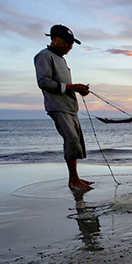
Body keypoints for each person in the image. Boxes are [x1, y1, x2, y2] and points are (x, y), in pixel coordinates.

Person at [34, 24, 92, 192]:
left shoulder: (61, 59)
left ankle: (76, 178)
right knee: (71, 140)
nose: (70, 46)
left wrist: (79, 90)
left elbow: (66, 85)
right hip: (58, 107)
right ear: (55, 39)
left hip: (70, 107)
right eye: (67, 42)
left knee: (77, 142)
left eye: (71, 43)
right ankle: (73, 180)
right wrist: (73, 87)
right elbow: (43, 82)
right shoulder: (44, 56)